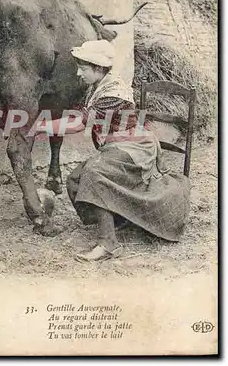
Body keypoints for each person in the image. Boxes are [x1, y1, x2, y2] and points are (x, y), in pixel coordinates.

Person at [36, 40, 190, 261]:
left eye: (83, 68)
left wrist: (40, 126)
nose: (79, 73)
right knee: (74, 181)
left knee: (94, 175)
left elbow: (80, 123)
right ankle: (119, 218)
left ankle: (108, 244)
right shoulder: (98, 86)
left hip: (134, 147)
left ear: (98, 69)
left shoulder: (113, 92)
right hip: (117, 146)